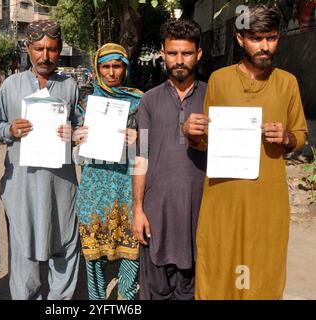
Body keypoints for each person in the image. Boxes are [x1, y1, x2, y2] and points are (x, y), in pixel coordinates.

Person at [183, 5, 308, 299]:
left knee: (262, 276)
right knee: (218, 272)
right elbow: (205, 139)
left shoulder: (287, 83)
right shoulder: (219, 80)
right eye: (257, 38)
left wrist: (286, 137)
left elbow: (300, 135)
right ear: (240, 39)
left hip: (267, 203)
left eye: (272, 38)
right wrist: (192, 133)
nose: (265, 46)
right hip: (223, 199)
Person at [0, 19, 80, 300]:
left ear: (60, 50)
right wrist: (10, 129)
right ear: (28, 48)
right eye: (39, 48)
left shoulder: (70, 86)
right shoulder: (11, 86)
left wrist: (74, 133)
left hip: (61, 185)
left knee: (64, 244)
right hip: (23, 185)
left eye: (52, 49)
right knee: (23, 251)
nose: (46, 56)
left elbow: (81, 129)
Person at [132, 19, 207, 300]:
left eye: (186, 53)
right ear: (163, 54)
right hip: (156, 216)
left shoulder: (215, 96)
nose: (179, 60)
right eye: (172, 53)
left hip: (198, 216)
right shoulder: (148, 101)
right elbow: (139, 156)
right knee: (155, 293)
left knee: (191, 292)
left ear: (198, 54)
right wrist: (137, 210)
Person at [72, 43, 143, 300]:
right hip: (94, 185)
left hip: (126, 184)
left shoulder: (141, 101)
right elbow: (74, 148)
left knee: (130, 249)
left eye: (117, 66)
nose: (112, 73)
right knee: (94, 254)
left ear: (126, 68)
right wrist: (77, 138)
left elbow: (151, 145)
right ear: (97, 69)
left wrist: (139, 137)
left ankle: (126, 298)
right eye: (106, 67)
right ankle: (97, 300)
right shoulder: (85, 102)